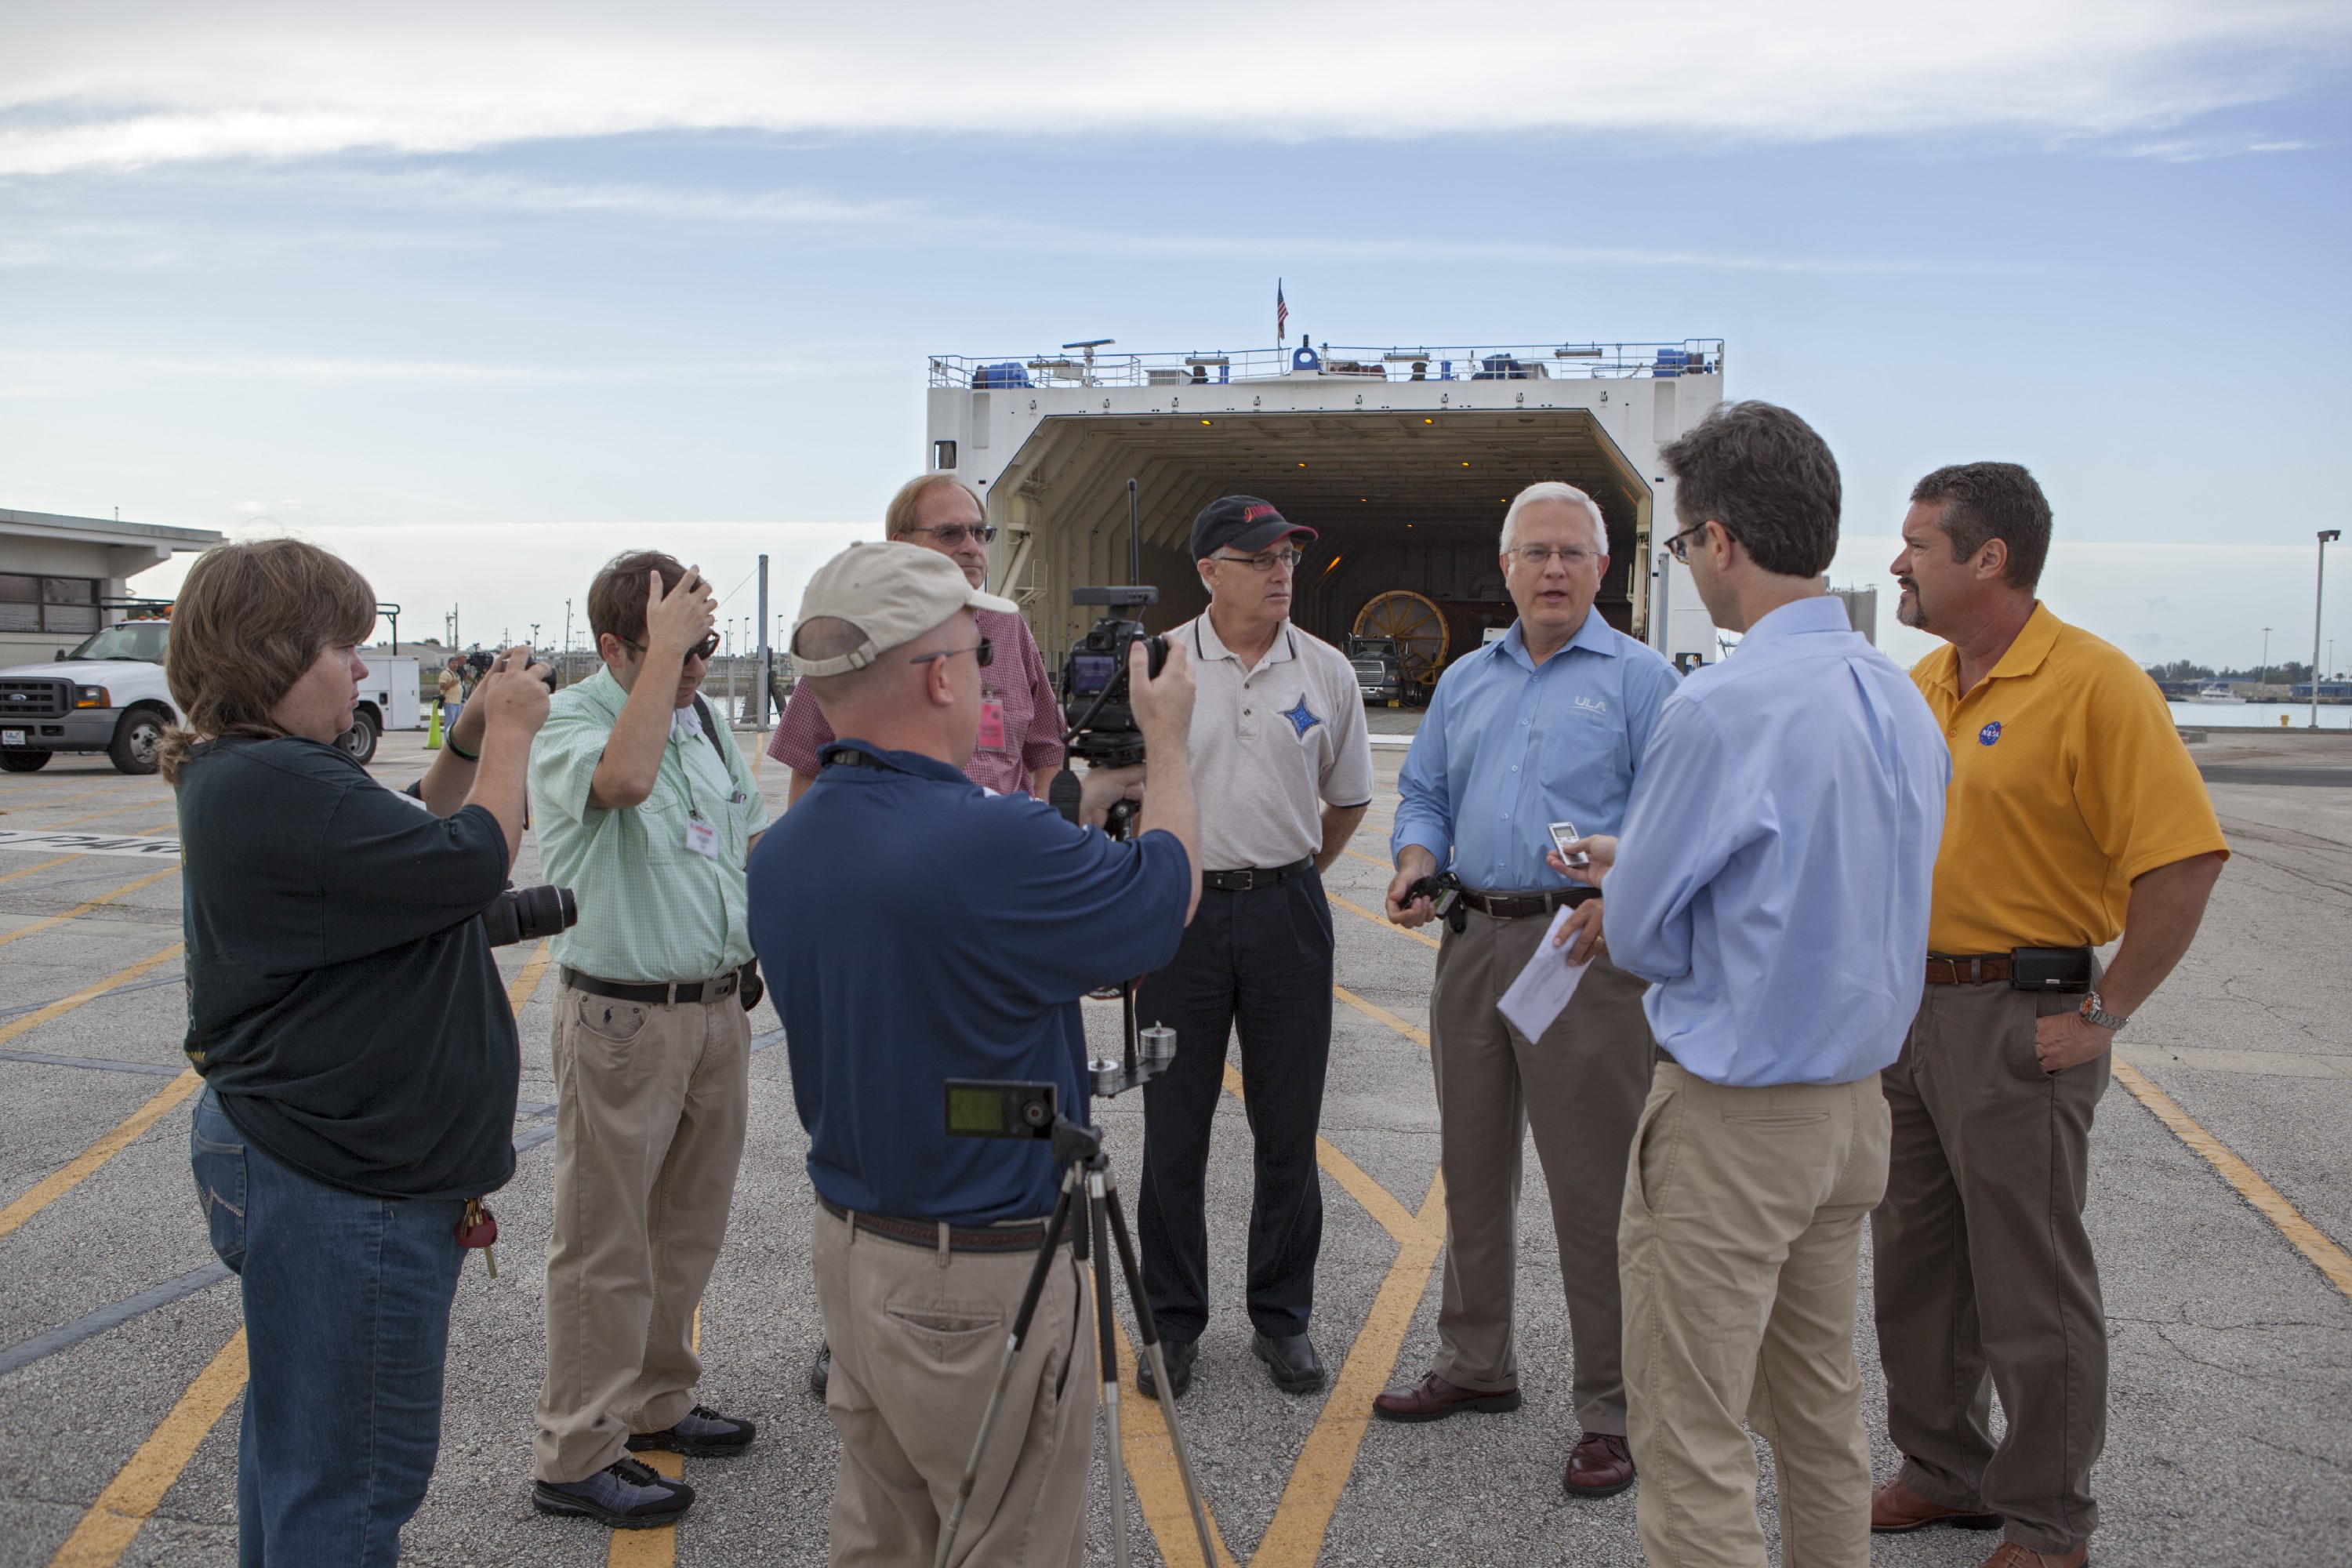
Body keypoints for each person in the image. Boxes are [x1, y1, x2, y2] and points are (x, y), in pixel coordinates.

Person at [750, 540, 1199, 1566]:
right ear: (939, 676)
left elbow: (945, 977)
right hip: (980, 1276)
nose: (989, 676)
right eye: (980, 653)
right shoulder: (991, 847)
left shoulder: (786, 851)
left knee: (886, 1533)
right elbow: (1163, 896)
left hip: (857, 1246)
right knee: (1008, 1536)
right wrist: (1170, 745)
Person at [1580, 401, 1950, 1568]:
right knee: (1818, 1408)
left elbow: (1641, 936)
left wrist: (1635, 874)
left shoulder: (1721, 704)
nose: (1691, 564)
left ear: (1722, 540)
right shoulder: (1901, 696)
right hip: (1851, 1110)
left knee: (1690, 1430)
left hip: (1736, 1120)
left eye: (1686, 543)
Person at [1870, 464, 2228, 1568]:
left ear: (1990, 559)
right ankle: (1945, 1470)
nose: (1897, 563)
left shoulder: (2095, 684)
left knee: (2029, 1282)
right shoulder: (1926, 682)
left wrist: (2105, 1014)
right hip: (1912, 1015)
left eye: (1918, 545)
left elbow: (2183, 861)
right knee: (1916, 1268)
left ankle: (2048, 1519)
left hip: (2020, 1017)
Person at [169, 539, 549, 1564]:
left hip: (324, 1164)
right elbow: (470, 858)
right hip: (342, 1181)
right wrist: (514, 732)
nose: (361, 667)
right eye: (341, 647)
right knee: (349, 1485)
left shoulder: (265, 773)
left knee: (305, 1462)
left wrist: (468, 737)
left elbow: (417, 830)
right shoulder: (275, 779)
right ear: (274, 653)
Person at [1375, 481, 1680, 1498]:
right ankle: (1477, 1361)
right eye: (1535, 552)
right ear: (1504, 568)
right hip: (1474, 936)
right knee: (1471, 1169)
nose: (1553, 569)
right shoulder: (1466, 680)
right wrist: (1416, 860)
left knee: (1594, 1188)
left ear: (1603, 568)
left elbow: (1679, 819)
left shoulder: (1643, 683)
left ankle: (1614, 1408)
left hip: (1580, 949)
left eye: (1572, 552)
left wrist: (1623, 888)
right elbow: (1424, 791)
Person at [525, 551, 770, 1529]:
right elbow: (623, 782)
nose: (701, 665)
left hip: (716, 1008)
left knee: (687, 1225)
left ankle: (657, 1399)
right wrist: (663, 664)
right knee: (604, 1240)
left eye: (707, 645)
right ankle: (575, 1448)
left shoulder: (702, 720)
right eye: (681, 647)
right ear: (616, 646)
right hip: (622, 1017)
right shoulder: (573, 722)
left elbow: (746, 840)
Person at [1134, 495, 1373, 1400]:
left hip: (1286, 910)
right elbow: (1121, 789)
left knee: (1288, 1127)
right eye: (1261, 557)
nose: (1281, 572)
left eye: (1288, 557)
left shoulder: (1327, 670)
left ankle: (1282, 1315)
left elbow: (1347, 798)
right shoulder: (1158, 664)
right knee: (1173, 1130)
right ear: (1209, 571)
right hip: (1181, 920)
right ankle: (1172, 1321)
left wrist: (1291, 871)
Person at [773, 472, 1063, 803]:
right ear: (901, 545)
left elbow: (1049, 750)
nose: (972, 547)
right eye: (950, 534)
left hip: (1004, 830)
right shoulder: (861, 631)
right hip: (899, 829)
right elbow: (807, 764)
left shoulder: (1009, 627)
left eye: (980, 533)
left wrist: (1041, 822)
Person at [437, 654, 470, 731]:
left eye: (456, 663)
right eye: (453, 663)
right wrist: (452, 683)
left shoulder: (456, 674)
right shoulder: (445, 673)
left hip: (458, 702)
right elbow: (442, 686)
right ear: (449, 664)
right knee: (450, 723)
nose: (455, 665)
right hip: (450, 702)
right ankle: (447, 738)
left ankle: (453, 738)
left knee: (456, 724)